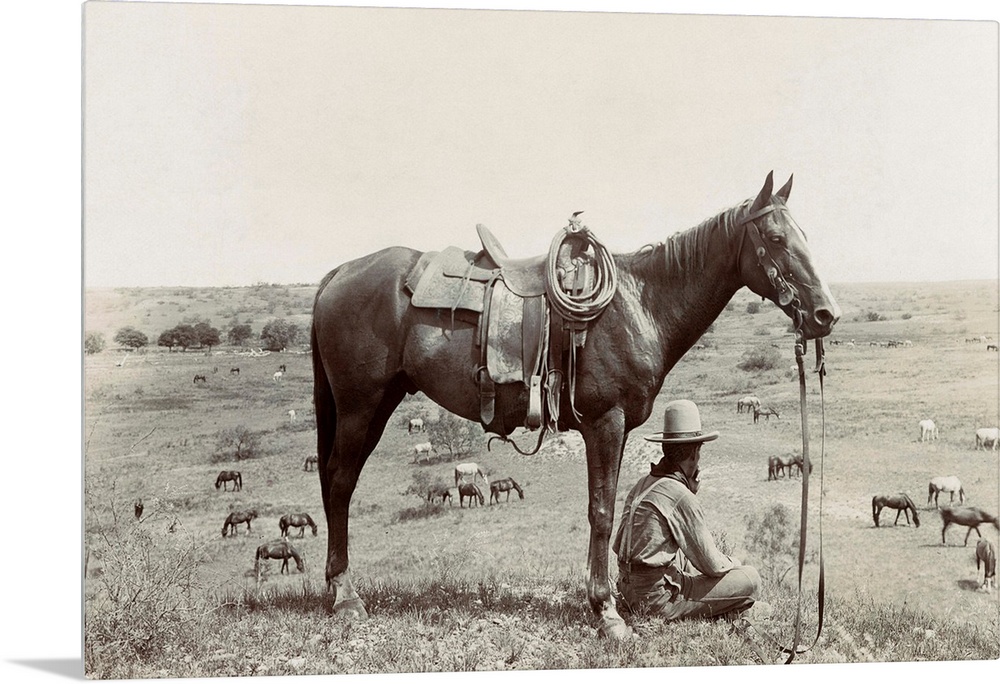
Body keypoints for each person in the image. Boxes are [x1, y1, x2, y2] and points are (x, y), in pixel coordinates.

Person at [613, 399, 762, 621]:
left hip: (626, 590)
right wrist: (735, 563)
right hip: (657, 599)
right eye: (698, 452)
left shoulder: (643, 483)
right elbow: (712, 565)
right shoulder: (679, 494)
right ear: (694, 453)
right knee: (751, 579)